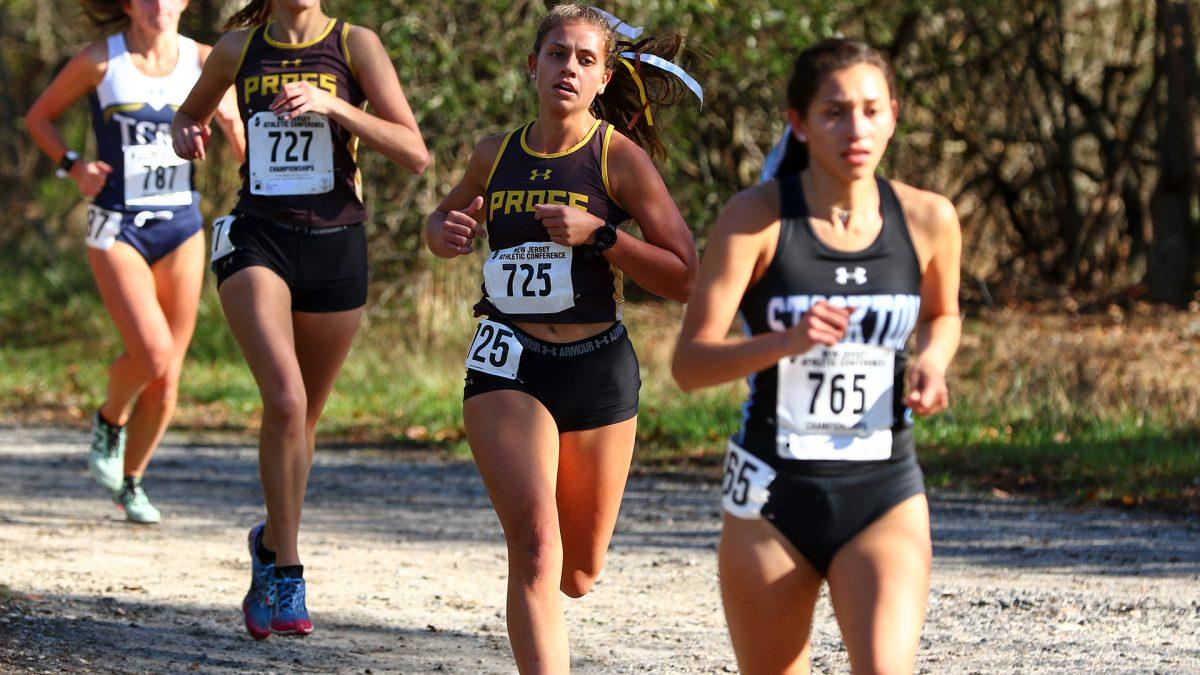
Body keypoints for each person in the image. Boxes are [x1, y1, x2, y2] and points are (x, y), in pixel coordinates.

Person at [672, 38, 962, 673]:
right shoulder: (756, 219)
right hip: (769, 496)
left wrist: (934, 362)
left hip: (884, 491)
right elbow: (689, 366)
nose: (855, 128)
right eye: (833, 111)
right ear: (798, 122)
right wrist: (786, 340)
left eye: (871, 109)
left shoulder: (928, 218)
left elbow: (944, 314)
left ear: (894, 114)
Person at [425, 5, 699, 672]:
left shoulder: (618, 159)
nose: (567, 69)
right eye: (556, 55)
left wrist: (601, 235)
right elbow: (443, 220)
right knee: (537, 549)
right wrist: (448, 231)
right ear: (532, 65)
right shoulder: (496, 153)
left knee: (578, 570)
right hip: (508, 361)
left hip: (597, 368)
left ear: (604, 77)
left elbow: (687, 274)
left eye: (583, 59)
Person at [171, 0, 428, 639]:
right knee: (284, 401)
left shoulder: (356, 45)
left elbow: (414, 152)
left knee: (304, 419)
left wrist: (335, 105)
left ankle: (267, 539)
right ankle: (288, 571)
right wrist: (186, 130)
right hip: (258, 236)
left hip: (337, 243)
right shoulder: (237, 48)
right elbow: (190, 114)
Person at [25, 0, 245, 524]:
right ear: (127, 3)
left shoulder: (207, 61)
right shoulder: (102, 61)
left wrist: (235, 131)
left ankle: (133, 481)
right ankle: (109, 419)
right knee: (150, 351)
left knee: (169, 376)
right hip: (115, 224)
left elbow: (243, 147)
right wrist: (73, 166)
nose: (159, 6)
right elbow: (39, 119)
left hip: (181, 225)